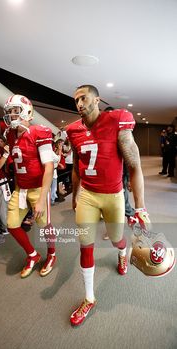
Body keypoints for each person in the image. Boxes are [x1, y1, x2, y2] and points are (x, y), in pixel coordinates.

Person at [66, 84, 150, 326]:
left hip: (113, 195)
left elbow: (134, 165)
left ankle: (122, 254)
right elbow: (75, 167)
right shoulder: (73, 130)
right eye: (76, 100)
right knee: (85, 244)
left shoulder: (117, 120)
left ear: (97, 99)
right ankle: (89, 297)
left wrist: (140, 206)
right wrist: (74, 195)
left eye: (83, 98)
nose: (79, 103)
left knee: (116, 239)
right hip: (88, 196)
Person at [3, 94, 56, 278]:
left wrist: (42, 198)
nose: (11, 115)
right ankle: (33, 254)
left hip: (38, 188)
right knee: (12, 224)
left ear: (27, 111)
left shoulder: (39, 132)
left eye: (15, 111)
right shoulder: (10, 134)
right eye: (9, 112)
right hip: (21, 188)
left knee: (45, 225)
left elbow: (49, 165)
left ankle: (52, 254)